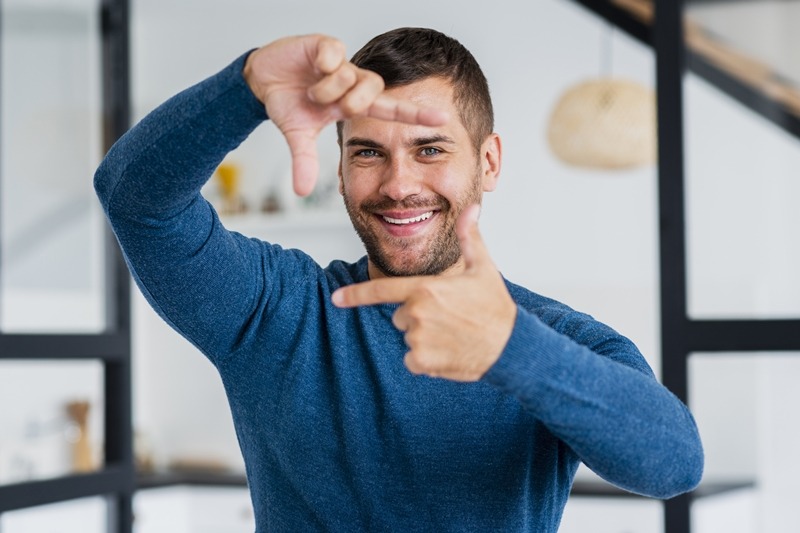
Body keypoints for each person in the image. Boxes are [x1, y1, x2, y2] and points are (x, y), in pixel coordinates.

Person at [95, 27, 703, 532]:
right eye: (367, 152)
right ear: (340, 168)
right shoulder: (273, 308)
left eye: (430, 149)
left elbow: (674, 464)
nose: (397, 184)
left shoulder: (554, 338)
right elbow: (134, 199)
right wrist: (246, 89)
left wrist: (511, 347)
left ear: (487, 162)